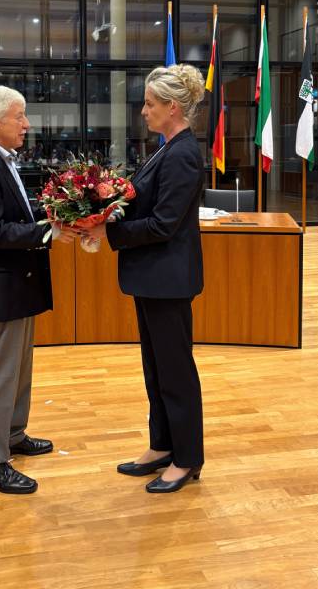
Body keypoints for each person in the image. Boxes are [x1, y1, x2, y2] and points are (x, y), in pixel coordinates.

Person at [90, 64, 206, 494]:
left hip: (168, 280)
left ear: (172, 107)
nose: (143, 111)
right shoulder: (166, 149)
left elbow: (163, 224)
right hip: (153, 278)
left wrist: (109, 232)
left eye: (150, 103)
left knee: (175, 371)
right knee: (156, 369)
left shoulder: (183, 154)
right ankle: (162, 445)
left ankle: (187, 458)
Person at [0, 85, 75, 495]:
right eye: (19, 116)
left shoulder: (0, 159)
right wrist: (49, 232)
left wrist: (60, 212)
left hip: (17, 286)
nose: (26, 124)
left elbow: (18, 215)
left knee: (19, 370)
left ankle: (12, 435)